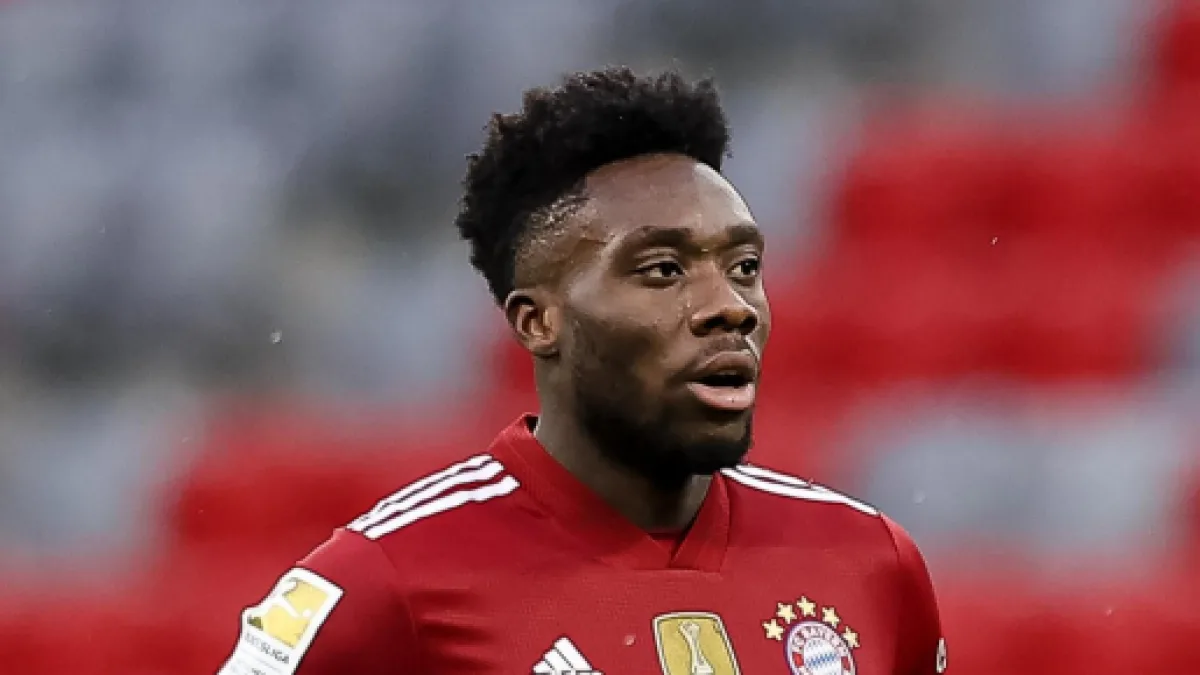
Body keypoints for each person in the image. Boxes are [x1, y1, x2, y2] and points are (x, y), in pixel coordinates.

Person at [218, 66, 947, 675]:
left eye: (745, 267)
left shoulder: (869, 562)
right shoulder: (390, 580)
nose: (730, 307)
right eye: (663, 270)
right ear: (538, 321)